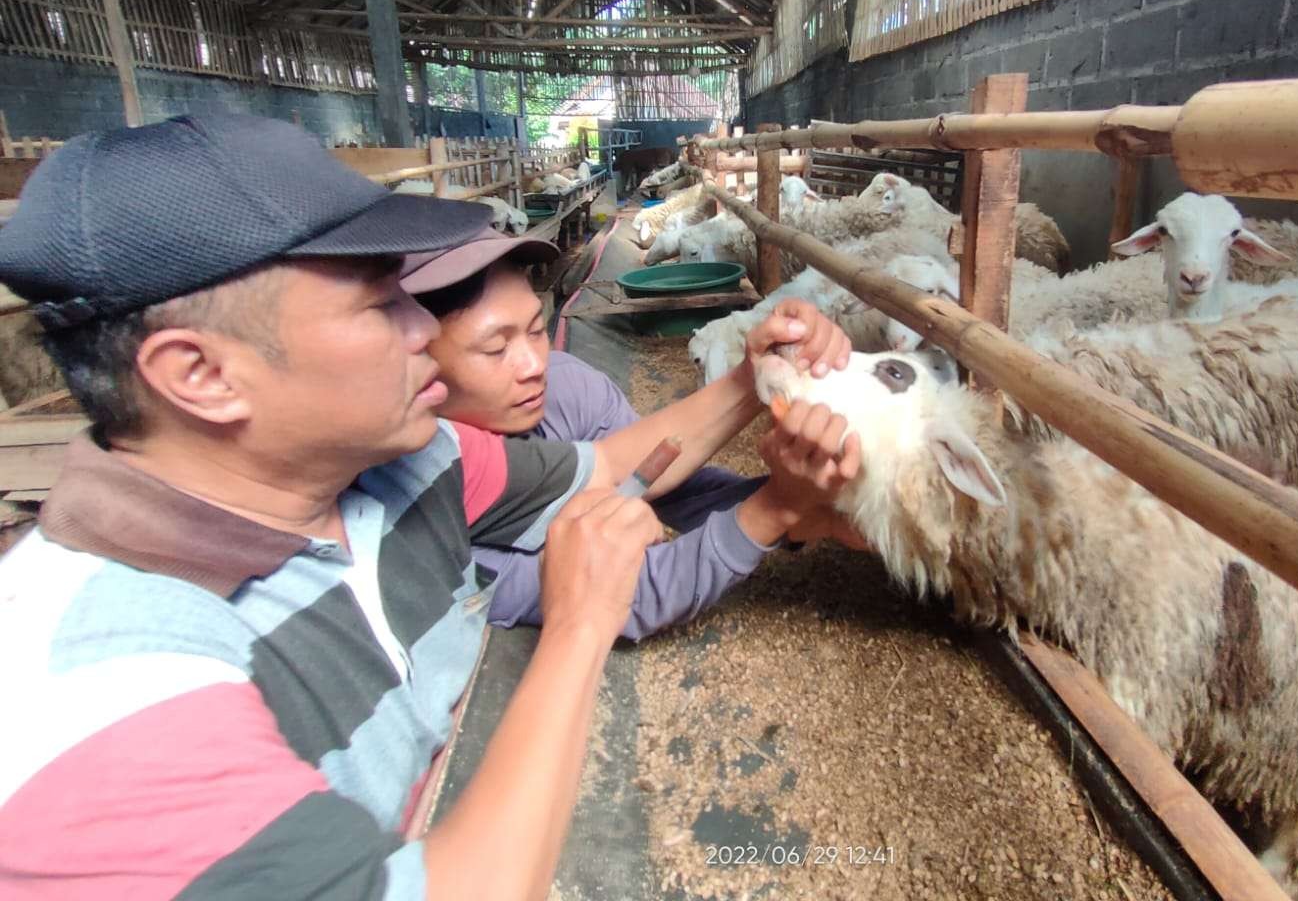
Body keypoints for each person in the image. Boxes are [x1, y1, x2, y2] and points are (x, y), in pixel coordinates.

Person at [0, 114, 857, 900]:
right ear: (202, 376)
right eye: (381, 304)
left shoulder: (411, 461)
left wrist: (759, 371)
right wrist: (577, 627)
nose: (423, 333)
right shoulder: (102, 692)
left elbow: (610, 465)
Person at [400, 230, 866, 641]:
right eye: (497, 348)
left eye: (538, 330)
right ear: (414, 362)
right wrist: (778, 508)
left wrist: (815, 513)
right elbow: (620, 595)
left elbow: (661, 486)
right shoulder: (423, 512)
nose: (533, 365)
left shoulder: (567, 388)